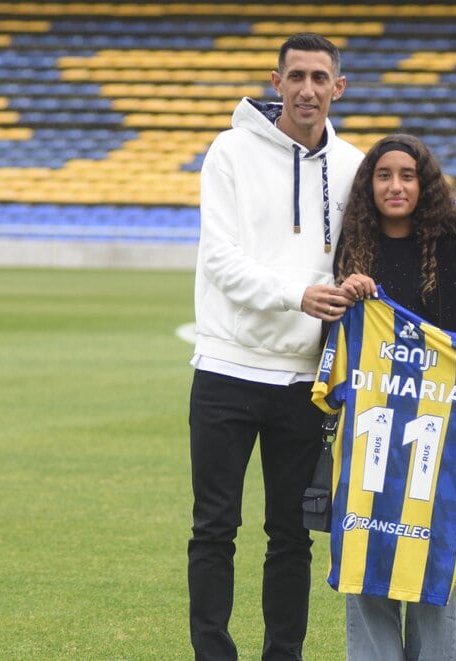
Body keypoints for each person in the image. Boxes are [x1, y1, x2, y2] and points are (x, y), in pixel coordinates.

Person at [186, 33, 365, 661]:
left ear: (338, 87)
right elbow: (219, 260)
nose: (307, 90)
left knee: (292, 534)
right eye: (296, 77)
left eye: (320, 78)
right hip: (226, 369)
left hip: (304, 380)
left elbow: (362, 257)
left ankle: (282, 655)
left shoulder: (353, 165)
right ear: (276, 82)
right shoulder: (230, 151)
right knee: (214, 527)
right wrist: (298, 295)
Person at [331, 133, 456, 661]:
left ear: (424, 184)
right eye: (384, 175)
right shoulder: (353, 248)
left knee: (431, 562)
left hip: (434, 432)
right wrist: (347, 296)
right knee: (367, 552)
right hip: (368, 429)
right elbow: (334, 343)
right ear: (368, 186)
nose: (395, 186)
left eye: (407, 176)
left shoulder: (447, 246)